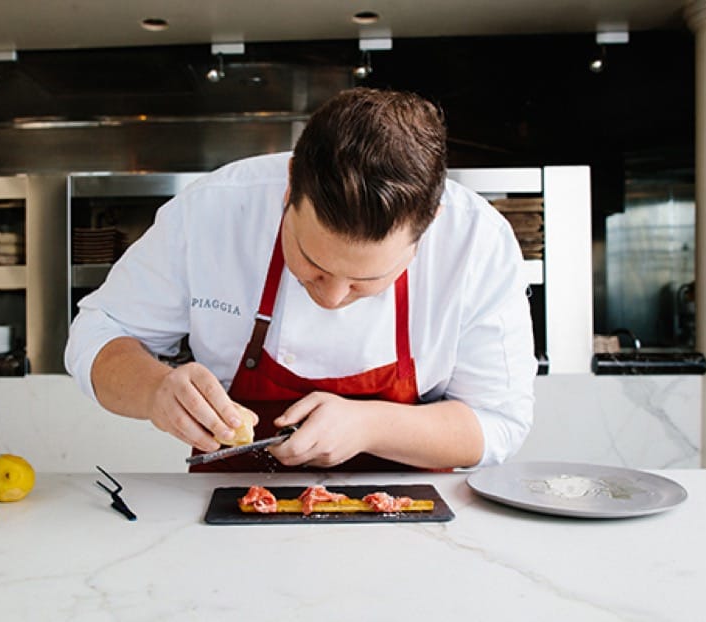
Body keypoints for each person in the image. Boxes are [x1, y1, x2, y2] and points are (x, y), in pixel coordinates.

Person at [65, 87, 536, 472]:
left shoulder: (476, 241)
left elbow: (498, 423)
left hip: (410, 529)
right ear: (291, 186)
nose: (331, 297)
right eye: (311, 262)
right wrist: (154, 390)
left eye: (364, 281)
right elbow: (98, 331)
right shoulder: (214, 211)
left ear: (427, 227)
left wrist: (372, 425)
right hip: (227, 527)